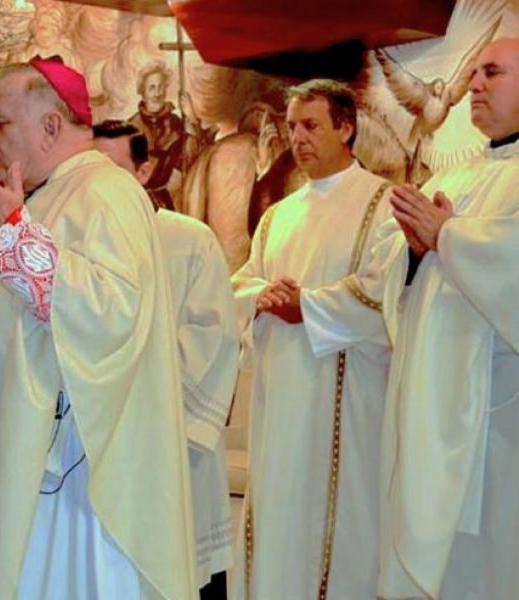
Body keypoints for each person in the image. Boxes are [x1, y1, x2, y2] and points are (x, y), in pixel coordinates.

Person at [0, 57, 197, 600]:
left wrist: (11, 236)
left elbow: (112, 311)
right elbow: (5, 313)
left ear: (50, 126)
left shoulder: (106, 192)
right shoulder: (41, 197)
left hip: (65, 480)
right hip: (18, 463)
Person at [230, 79, 392, 600]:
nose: (297, 138)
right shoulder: (278, 214)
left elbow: (385, 297)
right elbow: (242, 281)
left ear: (346, 128)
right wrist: (261, 295)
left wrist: (311, 307)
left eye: (311, 125)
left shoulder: (382, 203)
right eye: (293, 126)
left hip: (348, 400)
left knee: (343, 521)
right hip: (279, 399)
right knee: (278, 515)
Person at [375, 38, 519, 600]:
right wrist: (413, 253)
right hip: (435, 415)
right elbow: (396, 284)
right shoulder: (455, 181)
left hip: (502, 421)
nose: (474, 85)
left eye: (493, 73)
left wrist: (449, 237)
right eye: (475, 73)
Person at [94, 119, 239, 597]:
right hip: (102, 444)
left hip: (173, 440)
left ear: (145, 169)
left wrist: (133, 380)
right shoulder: (82, 242)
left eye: (116, 168)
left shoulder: (188, 239)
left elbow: (212, 337)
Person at [127, 59, 185, 211]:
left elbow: (189, 155)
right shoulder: (131, 127)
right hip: (137, 200)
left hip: (167, 200)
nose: (157, 93)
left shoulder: (176, 124)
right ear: (143, 93)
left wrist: (191, 119)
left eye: (160, 87)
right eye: (152, 88)